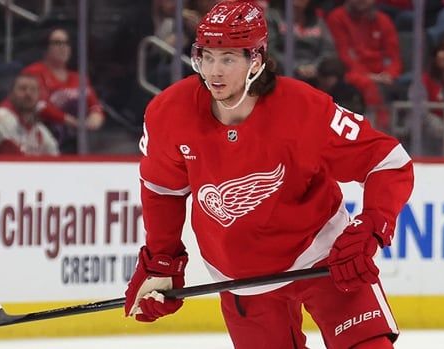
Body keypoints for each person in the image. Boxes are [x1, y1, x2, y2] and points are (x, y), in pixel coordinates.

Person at [123, 1, 414, 348]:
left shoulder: (304, 109)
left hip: (324, 258)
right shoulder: (169, 112)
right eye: (207, 57)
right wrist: (162, 259)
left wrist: (372, 226)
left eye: (228, 58)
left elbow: (387, 160)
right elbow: (162, 190)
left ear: (256, 60)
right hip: (244, 279)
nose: (214, 71)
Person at [22, 28, 104, 153]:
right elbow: (38, 105)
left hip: (78, 136)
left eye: (66, 43)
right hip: (46, 134)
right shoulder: (34, 72)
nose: (63, 47)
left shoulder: (78, 78)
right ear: (46, 48)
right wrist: (72, 121)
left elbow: (94, 105)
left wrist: (96, 117)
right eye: (57, 43)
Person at [326, 0, 403, 130]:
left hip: (381, 75)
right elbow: (344, 55)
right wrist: (370, 76)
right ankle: (378, 129)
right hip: (350, 73)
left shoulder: (383, 20)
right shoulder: (337, 18)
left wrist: (389, 74)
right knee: (364, 83)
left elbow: (393, 57)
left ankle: (398, 130)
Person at [0, 74, 59, 156]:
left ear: (39, 96)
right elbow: (12, 157)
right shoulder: (0, 117)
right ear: (10, 95)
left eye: (33, 90)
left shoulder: (39, 130)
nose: (28, 93)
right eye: (22, 89)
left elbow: (55, 159)